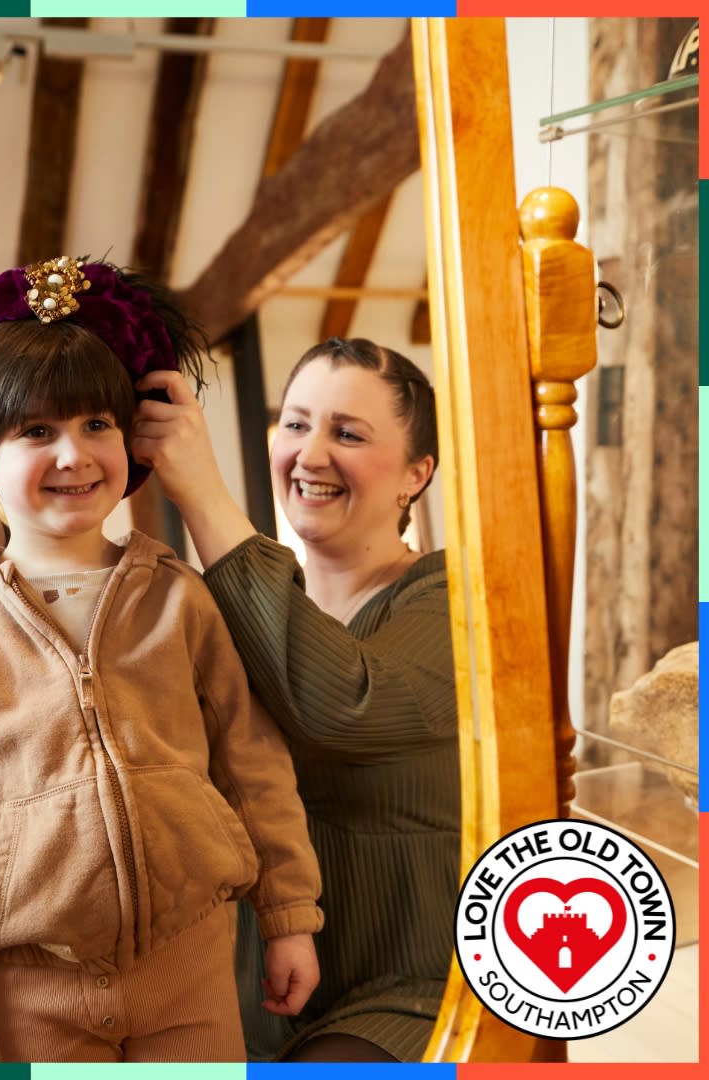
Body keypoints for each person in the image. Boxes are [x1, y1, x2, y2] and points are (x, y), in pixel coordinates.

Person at [0, 255, 323, 1064]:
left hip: (191, 963)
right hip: (33, 979)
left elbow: (253, 765)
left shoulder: (180, 598)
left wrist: (289, 920)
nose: (73, 455)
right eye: (36, 431)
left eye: (95, 425)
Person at [130, 337, 460, 1063]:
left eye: (347, 433)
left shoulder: (454, 599)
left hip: (413, 993)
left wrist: (202, 493)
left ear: (416, 474)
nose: (311, 454)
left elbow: (344, 701)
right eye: (298, 422)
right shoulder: (256, 612)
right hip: (253, 990)